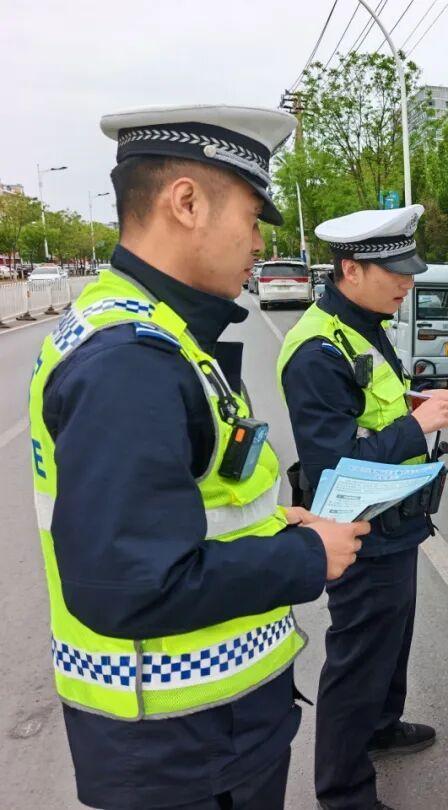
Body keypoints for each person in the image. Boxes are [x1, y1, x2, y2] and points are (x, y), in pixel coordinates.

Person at [27, 104, 370, 810]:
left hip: (201, 739)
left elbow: (189, 507)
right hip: (179, 748)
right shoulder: (130, 362)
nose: (259, 243)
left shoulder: (150, 328)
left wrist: (279, 526)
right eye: (252, 217)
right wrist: (307, 557)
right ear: (186, 203)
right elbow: (134, 582)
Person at [277, 205, 448, 810]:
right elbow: (333, 464)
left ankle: (381, 726)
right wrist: (416, 425)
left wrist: (410, 401)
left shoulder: (364, 323)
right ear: (351, 270)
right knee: (358, 661)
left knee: (392, 641)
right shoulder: (316, 350)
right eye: (396, 273)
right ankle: (344, 792)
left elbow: (369, 406)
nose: (408, 283)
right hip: (357, 533)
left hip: (395, 521)